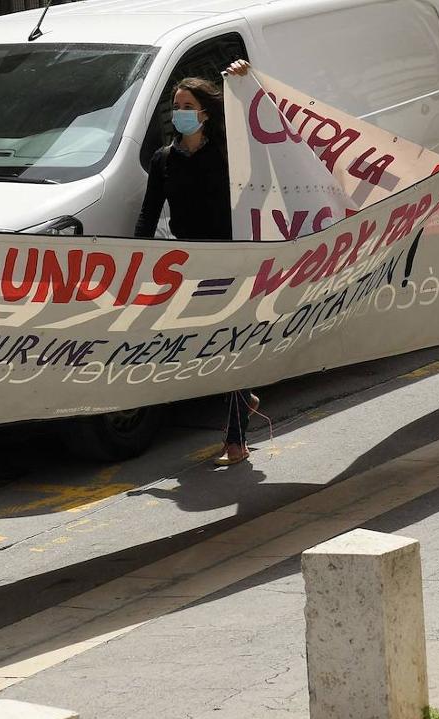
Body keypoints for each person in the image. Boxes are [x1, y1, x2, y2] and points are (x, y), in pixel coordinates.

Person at [134, 76, 260, 467]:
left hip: (228, 261)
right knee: (198, 348)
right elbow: (149, 212)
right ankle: (246, 397)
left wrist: (246, 80)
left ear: (206, 112)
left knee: (230, 345)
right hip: (188, 267)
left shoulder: (226, 153)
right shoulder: (163, 159)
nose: (181, 113)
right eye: (177, 106)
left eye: (188, 106)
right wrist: (134, 260)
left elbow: (264, 128)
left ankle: (236, 441)